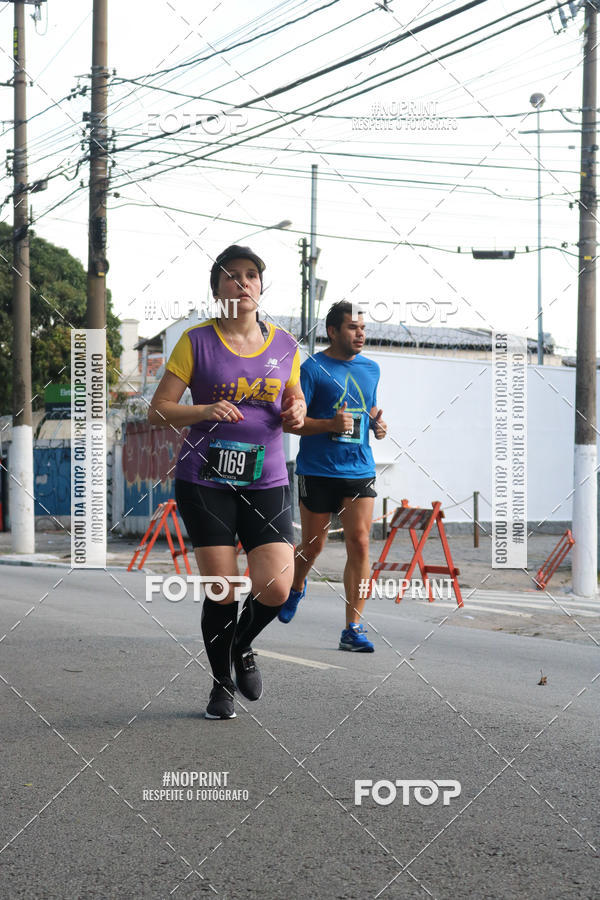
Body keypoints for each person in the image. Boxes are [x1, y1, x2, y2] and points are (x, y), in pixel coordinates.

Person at [148, 245, 305, 719]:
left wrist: (297, 411)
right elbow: (158, 409)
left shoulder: (285, 346)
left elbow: (294, 408)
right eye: (230, 276)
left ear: (261, 285)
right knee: (223, 587)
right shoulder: (196, 341)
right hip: (206, 480)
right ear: (217, 289)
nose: (242, 283)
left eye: (251, 275)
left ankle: (241, 644)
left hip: (268, 479)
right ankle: (220, 685)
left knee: (277, 588)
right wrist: (203, 409)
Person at [279, 301, 387, 651]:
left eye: (363, 328)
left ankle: (352, 629)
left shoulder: (372, 369)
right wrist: (329, 424)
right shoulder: (312, 369)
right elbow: (294, 423)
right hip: (317, 469)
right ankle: (296, 585)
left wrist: (377, 424)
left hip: (359, 468)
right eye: (353, 328)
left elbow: (366, 409)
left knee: (360, 542)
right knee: (313, 545)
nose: (360, 334)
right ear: (333, 331)